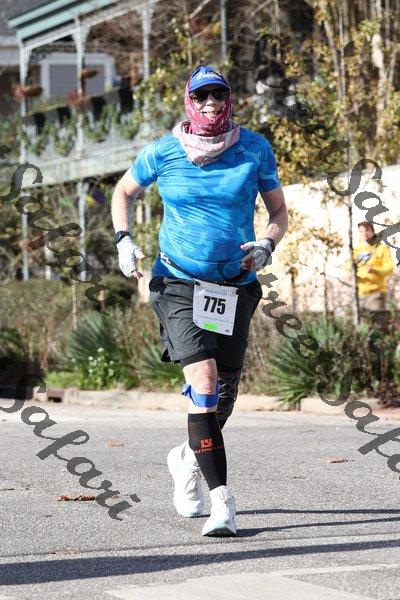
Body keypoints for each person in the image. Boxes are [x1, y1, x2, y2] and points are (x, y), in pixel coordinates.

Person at [111, 65, 288, 537]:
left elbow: (278, 210)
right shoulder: (164, 151)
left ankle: (187, 459)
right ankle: (222, 503)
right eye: (202, 96)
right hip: (177, 280)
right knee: (204, 384)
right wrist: (124, 240)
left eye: (219, 95)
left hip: (233, 285)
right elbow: (123, 191)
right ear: (190, 101)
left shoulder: (254, 148)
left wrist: (268, 243)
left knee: (223, 395)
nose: (211, 103)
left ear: (229, 100)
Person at [353, 221, 394, 315]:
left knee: (377, 322)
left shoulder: (382, 248)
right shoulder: (356, 250)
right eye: (361, 231)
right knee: (363, 323)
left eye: (367, 230)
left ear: (373, 231)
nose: (364, 234)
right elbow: (348, 266)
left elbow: (390, 268)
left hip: (377, 294)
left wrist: (375, 269)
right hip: (360, 294)